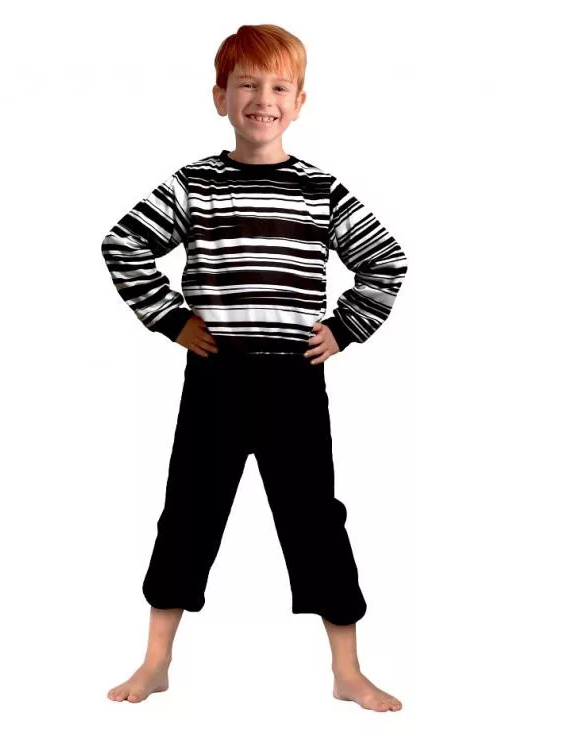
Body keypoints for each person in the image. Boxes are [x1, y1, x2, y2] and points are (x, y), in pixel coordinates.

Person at [100, 24, 408, 712]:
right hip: (217, 378)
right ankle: (156, 661)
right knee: (188, 515)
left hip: (293, 382)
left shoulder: (320, 190)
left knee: (316, 521)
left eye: (277, 88)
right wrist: (173, 319)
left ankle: (348, 670)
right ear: (220, 98)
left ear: (298, 103)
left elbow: (385, 260)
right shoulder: (195, 185)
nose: (262, 100)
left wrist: (345, 327)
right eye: (246, 85)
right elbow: (123, 244)